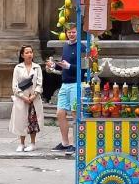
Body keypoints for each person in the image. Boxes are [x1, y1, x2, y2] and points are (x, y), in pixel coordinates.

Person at [47, 25, 85, 156]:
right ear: (66, 33)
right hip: (65, 83)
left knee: (75, 113)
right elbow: (64, 65)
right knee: (60, 113)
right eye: (69, 32)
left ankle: (76, 143)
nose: (71, 34)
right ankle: (65, 142)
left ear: (78, 33)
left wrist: (70, 66)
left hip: (76, 83)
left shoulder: (82, 47)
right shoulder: (66, 47)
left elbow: (84, 68)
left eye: (74, 32)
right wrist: (55, 65)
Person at [9, 45, 44, 152]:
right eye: (27, 52)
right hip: (21, 99)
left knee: (33, 121)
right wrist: (23, 97)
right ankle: (21, 143)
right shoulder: (18, 68)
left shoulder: (37, 67)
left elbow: (39, 83)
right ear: (22, 55)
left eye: (31, 52)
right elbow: (15, 85)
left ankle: (33, 143)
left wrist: (34, 95)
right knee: (21, 121)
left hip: (34, 99)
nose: (29, 54)